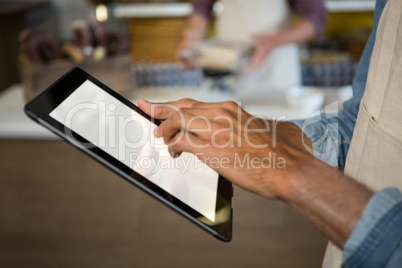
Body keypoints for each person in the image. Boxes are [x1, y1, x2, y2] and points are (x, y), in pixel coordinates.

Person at [138, 0, 402, 266]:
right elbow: (359, 123)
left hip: (274, 71)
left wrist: (291, 171)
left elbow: (316, 19)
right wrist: (267, 135)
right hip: (230, 71)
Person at [176, 0, 327, 101]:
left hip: (275, 70)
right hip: (227, 68)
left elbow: (315, 19)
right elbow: (202, 6)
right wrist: (194, 33)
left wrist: (273, 42)